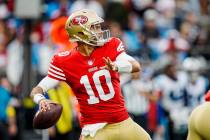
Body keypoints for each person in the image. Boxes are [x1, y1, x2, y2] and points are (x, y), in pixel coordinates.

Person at [30, 9, 151, 140]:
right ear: (80, 34)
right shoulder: (64, 61)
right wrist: (41, 100)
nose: (100, 31)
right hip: (94, 128)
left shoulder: (111, 45)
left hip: (122, 122)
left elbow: (135, 66)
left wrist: (117, 66)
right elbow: (37, 90)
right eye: (94, 28)